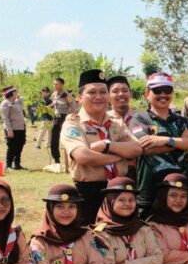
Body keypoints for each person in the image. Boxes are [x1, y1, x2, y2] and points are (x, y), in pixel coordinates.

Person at [60, 69, 142, 225]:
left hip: (121, 190)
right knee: (93, 238)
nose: (98, 97)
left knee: (123, 236)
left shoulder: (116, 122)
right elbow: (83, 156)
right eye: (92, 92)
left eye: (103, 92)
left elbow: (137, 149)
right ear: (79, 97)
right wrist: (119, 156)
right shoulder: (73, 123)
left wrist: (106, 145)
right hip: (90, 192)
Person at [129, 72, 188, 218]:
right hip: (150, 194)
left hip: (181, 195)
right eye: (157, 91)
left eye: (167, 90)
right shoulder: (140, 119)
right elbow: (144, 148)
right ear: (147, 93)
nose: (163, 94)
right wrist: (182, 142)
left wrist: (164, 140)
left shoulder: (183, 121)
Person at [50, 77, 77, 166]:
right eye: (54, 84)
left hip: (65, 118)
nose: (55, 85)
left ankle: (72, 158)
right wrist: (46, 108)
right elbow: (54, 104)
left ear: (62, 85)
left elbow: (72, 107)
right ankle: (56, 159)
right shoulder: (54, 94)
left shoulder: (67, 96)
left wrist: (72, 119)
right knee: (54, 139)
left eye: (56, 84)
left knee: (68, 138)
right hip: (56, 118)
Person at [0, 86, 27, 171]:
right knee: (12, 147)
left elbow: (22, 106)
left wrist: (20, 99)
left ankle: (17, 164)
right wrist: (9, 131)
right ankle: (8, 165)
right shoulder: (5, 103)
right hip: (12, 129)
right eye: (15, 92)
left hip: (21, 128)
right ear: (11, 94)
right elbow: (5, 118)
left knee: (19, 146)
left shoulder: (16, 102)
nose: (17, 93)